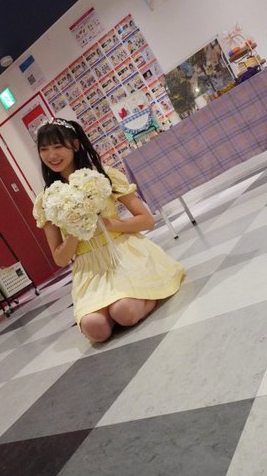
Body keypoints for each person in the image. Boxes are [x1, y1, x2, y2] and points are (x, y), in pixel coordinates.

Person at [32, 118, 184, 343]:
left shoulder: (103, 176)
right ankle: (115, 308)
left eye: (57, 146)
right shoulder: (46, 200)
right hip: (89, 269)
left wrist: (109, 225)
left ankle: (146, 293)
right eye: (44, 149)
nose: (51, 155)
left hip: (123, 255)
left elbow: (146, 220)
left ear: (75, 145)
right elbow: (60, 259)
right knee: (95, 329)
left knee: (124, 311)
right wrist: (76, 230)